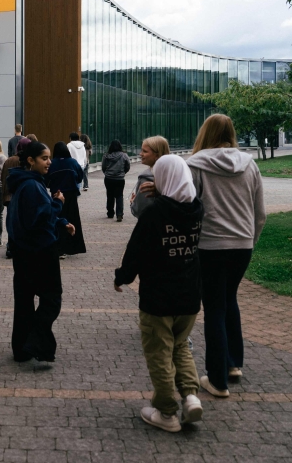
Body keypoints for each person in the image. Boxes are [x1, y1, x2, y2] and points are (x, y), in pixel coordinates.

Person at [114, 155, 205, 433]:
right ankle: (190, 396)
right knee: (180, 346)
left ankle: (166, 413)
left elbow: (136, 250)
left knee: (159, 353)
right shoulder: (196, 209)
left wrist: (122, 277)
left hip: (158, 297)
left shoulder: (154, 212)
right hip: (189, 295)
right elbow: (178, 196)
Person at [187, 114, 266, 398]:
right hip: (242, 246)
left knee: (215, 308)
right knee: (229, 299)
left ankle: (217, 380)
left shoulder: (194, 165)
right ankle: (234, 364)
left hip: (209, 246)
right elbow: (260, 214)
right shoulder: (250, 165)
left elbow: (188, 208)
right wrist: (249, 241)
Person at [6, 141, 75, 363]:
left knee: (25, 300)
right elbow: (39, 217)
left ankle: (22, 348)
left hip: (24, 250)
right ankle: (34, 342)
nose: (49, 162)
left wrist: (61, 221)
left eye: (49, 158)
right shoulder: (31, 185)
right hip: (40, 250)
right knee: (52, 298)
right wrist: (58, 204)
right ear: (30, 161)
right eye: (44, 158)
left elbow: (34, 214)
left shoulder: (26, 183)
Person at [47, 142, 86, 258]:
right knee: (73, 219)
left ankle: (60, 248)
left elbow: (47, 180)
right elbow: (80, 177)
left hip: (57, 195)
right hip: (71, 195)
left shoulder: (52, 163)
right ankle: (73, 247)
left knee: (58, 219)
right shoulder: (72, 162)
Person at [1, 134, 35, 260]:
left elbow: (3, 178)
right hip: (21, 197)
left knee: (10, 220)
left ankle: (10, 246)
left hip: (9, 196)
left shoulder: (9, 160)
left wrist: (4, 194)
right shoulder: (27, 161)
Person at [130, 136, 171, 219]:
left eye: (144, 151)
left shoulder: (146, 179)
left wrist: (133, 203)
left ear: (157, 155)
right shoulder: (175, 175)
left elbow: (141, 210)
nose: (140, 154)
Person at [102, 140, 131, 222]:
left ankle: (110, 212)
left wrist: (107, 173)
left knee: (110, 195)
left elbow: (103, 167)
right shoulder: (124, 155)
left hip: (108, 178)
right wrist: (123, 172)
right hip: (120, 179)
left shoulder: (106, 156)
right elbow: (128, 166)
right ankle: (119, 214)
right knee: (119, 196)